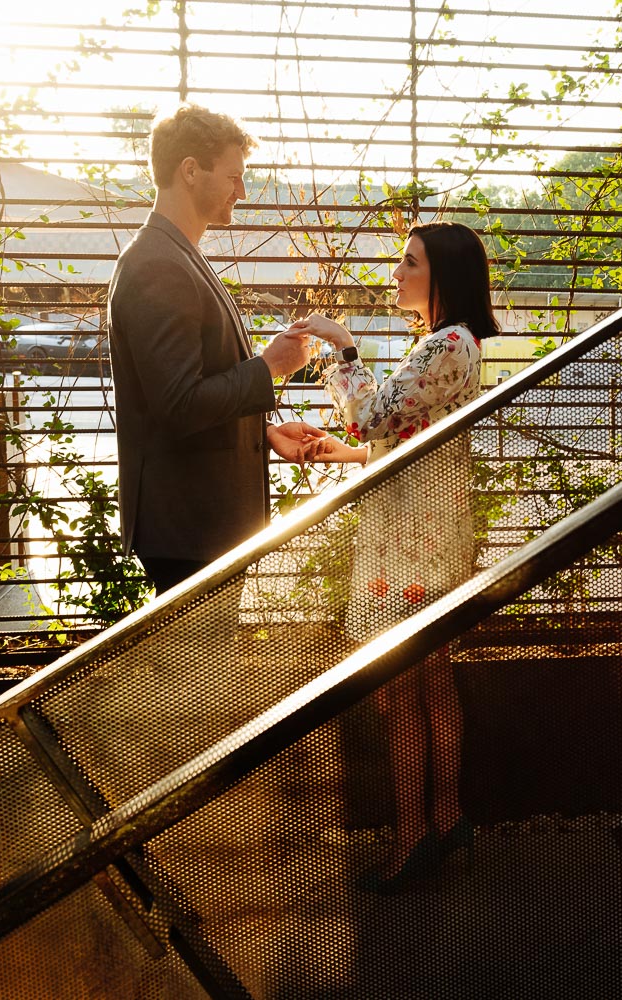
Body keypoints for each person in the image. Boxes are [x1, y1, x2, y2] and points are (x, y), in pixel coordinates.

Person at [278, 221, 495, 892]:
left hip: (411, 546)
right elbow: (401, 440)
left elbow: (369, 419)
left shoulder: (446, 344)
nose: (395, 274)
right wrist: (336, 452)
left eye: (408, 263)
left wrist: (342, 347)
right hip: (425, 536)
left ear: (443, 277)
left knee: (402, 694)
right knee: (429, 684)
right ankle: (444, 819)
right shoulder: (447, 346)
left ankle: (412, 840)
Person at [108, 103, 323, 594]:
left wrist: (261, 430)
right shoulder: (158, 266)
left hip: (200, 527)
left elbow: (189, 391)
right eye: (233, 176)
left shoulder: (176, 255)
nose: (242, 191)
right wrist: (268, 369)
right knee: (196, 668)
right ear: (189, 170)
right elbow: (179, 405)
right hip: (191, 529)